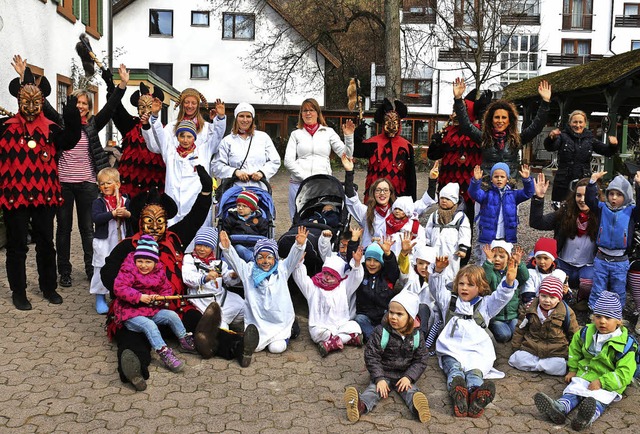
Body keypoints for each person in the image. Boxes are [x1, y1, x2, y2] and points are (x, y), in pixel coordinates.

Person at [101, 166, 258, 391]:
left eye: (159, 222)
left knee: (200, 323)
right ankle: (134, 370)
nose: (154, 228)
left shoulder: (175, 238)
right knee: (132, 339)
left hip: (173, 307)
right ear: (139, 221)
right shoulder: (128, 246)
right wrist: (134, 296)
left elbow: (195, 218)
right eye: (148, 222)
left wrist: (206, 190)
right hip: (136, 310)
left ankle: (237, 347)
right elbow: (108, 274)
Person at [1, 57, 81, 310]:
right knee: (17, 245)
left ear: (44, 103)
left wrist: (72, 116)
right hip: (15, 196)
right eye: (27, 101)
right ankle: (19, 291)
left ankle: (48, 287)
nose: (32, 106)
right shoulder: (5, 128)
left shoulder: (51, 128)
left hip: (45, 195)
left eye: (38, 102)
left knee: (46, 242)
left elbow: (70, 140)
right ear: (18, 101)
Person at [51, 63, 130, 288]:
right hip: (64, 183)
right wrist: (25, 78)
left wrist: (122, 84)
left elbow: (112, 106)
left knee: (88, 229)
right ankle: (64, 271)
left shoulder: (94, 124)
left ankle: (90, 268)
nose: (82, 106)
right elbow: (44, 106)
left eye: (85, 103)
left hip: (88, 183)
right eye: (78, 103)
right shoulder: (61, 124)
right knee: (64, 229)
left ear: (90, 106)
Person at [534, 292, 637, 431]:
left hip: (607, 380)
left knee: (598, 400)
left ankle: (586, 418)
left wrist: (602, 382)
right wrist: (573, 369)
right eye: (598, 316)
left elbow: (625, 372)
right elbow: (574, 350)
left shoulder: (626, 344)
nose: (602, 321)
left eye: (608, 317)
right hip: (585, 373)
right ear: (593, 317)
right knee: (573, 391)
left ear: (618, 320)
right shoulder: (586, 332)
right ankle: (559, 408)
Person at [430, 260, 518, 418]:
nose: (464, 287)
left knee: (475, 372)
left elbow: (500, 297)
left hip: (477, 350)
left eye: (470, 285)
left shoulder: (485, 305)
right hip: (451, 348)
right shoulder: (449, 302)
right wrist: (437, 272)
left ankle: (476, 394)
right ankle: (458, 392)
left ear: (480, 287)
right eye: (461, 283)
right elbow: (436, 290)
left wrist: (509, 282)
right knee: (453, 368)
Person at [343, 291, 431, 423]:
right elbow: (371, 356)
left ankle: (419, 409)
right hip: (384, 372)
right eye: (391, 312)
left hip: (404, 375)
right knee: (373, 390)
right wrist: (379, 378)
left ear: (411, 317)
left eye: (399, 314)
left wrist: (409, 377)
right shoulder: (381, 331)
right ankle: (359, 406)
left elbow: (421, 359)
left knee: (411, 391)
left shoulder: (417, 335)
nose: (393, 317)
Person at [112, 235, 196, 373]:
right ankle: (164, 353)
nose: (143, 265)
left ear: (155, 262)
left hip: (150, 310)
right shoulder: (128, 269)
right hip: (130, 312)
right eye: (140, 261)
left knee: (171, 315)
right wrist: (139, 297)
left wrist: (161, 298)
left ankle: (185, 341)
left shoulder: (159, 271)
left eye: (148, 262)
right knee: (149, 325)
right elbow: (119, 288)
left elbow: (167, 289)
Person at [219, 227, 307, 354]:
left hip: (279, 321)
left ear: (275, 258)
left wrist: (299, 245)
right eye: (260, 257)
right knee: (255, 348)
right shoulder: (248, 271)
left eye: (269, 257)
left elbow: (293, 258)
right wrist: (227, 248)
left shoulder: (282, 269)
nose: (265, 261)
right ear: (255, 258)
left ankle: (289, 331)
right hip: (258, 321)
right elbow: (236, 262)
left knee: (276, 348)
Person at [142, 94, 226, 227]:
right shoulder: (170, 152)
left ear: (194, 138)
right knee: (175, 235)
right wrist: (155, 116)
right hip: (174, 199)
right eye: (182, 136)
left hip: (195, 200)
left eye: (189, 136)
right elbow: (160, 137)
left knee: (197, 237)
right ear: (177, 137)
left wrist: (220, 118)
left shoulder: (203, 150)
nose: (185, 140)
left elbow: (217, 136)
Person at [452, 77, 551, 176]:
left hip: (510, 186)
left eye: (504, 117)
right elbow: (466, 125)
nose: (500, 121)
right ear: (491, 120)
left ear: (509, 121)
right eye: (497, 117)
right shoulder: (484, 138)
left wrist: (545, 103)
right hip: (487, 186)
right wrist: (458, 100)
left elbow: (536, 127)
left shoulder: (516, 139)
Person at [529, 175, 597, 310]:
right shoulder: (566, 213)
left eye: (586, 195)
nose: (582, 200)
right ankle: (543, 297)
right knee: (534, 259)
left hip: (587, 266)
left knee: (588, 282)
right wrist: (539, 198)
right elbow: (538, 222)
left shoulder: (601, 216)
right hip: (563, 263)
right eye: (578, 195)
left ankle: (582, 298)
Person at [427, 88, 492, 225]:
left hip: (470, 185)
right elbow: (433, 155)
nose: (455, 114)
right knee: (445, 221)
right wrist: (436, 142)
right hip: (447, 183)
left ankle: (465, 246)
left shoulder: (479, 132)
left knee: (466, 223)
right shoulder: (446, 131)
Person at [341, 154, 434, 248]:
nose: (382, 193)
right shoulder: (366, 212)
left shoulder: (400, 210)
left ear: (391, 193)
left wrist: (433, 181)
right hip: (370, 258)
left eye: (385, 190)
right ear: (373, 193)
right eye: (378, 190)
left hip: (391, 257)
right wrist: (349, 172)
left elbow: (424, 203)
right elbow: (352, 200)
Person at [284, 98, 355, 218]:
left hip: (322, 184)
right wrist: (307, 178)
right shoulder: (296, 134)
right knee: (298, 219)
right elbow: (288, 161)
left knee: (321, 218)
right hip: (299, 184)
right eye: (305, 110)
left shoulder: (328, 132)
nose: (308, 113)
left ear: (317, 113)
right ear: (301, 114)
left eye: (311, 110)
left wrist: (348, 137)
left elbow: (346, 155)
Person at [293, 251, 365, 357]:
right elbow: (300, 279)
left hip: (341, 324)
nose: (327, 278)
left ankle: (333, 343)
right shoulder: (313, 286)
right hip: (321, 326)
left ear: (338, 276)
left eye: (332, 275)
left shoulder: (344, 286)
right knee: (317, 334)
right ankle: (347, 339)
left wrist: (357, 264)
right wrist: (299, 264)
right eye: (325, 273)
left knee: (354, 326)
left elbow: (356, 278)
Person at [586, 171, 640, 310]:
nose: (614, 197)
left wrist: (638, 186)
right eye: (611, 193)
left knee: (618, 289)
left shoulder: (631, 211)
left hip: (620, 260)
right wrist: (592, 182)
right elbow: (590, 201)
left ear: (626, 196)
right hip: (601, 257)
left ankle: (616, 315)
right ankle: (595, 312)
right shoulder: (602, 208)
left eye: (619, 194)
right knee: (598, 287)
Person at [510, 276, 580, 376]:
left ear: (559, 299)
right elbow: (520, 329)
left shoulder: (567, 312)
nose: (547, 300)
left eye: (552, 297)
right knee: (516, 359)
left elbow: (574, 335)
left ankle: (536, 366)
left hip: (555, 350)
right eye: (544, 296)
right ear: (539, 295)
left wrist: (573, 358)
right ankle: (541, 366)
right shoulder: (529, 309)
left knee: (559, 367)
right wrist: (516, 348)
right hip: (532, 347)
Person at [544, 110, 618, 203]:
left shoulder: (589, 138)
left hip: (583, 179)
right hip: (563, 181)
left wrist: (613, 145)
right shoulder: (562, 136)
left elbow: (607, 151)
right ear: (570, 123)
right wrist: (550, 138)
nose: (578, 125)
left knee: (584, 207)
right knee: (561, 211)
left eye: (580, 122)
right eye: (575, 122)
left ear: (585, 123)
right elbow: (550, 147)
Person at [468, 162, 534, 263]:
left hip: (506, 237)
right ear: (491, 179)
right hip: (488, 237)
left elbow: (528, 193)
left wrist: (527, 180)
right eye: (496, 176)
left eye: (502, 176)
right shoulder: (486, 195)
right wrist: (476, 181)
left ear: (507, 179)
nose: (499, 179)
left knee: (504, 262)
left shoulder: (513, 195)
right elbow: (474, 193)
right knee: (486, 262)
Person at [111, 82, 166, 200]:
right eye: (142, 107)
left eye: (150, 106)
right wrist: (115, 84)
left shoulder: (164, 130)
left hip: (156, 185)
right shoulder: (129, 125)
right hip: (130, 186)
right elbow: (115, 106)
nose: (146, 110)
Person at [353, 98, 417, 201]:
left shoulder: (406, 146)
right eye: (388, 122)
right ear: (383, 124)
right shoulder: (373, 143)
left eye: (394, 122)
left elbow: (411, 177)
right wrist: (357, 136)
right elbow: (355, 151)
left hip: (398, 198)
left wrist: (411, 202)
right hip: (374, 197)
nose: (391, 126)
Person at [181, 227, 244, 330]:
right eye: (199, 245)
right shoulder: (190, 259)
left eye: (206, 246)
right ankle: (222, 328)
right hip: (201, 298)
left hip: (219, 297)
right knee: (221, 326)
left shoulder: (218, 263)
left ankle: (247, 329)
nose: (201, 249)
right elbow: (187, 277)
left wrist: (233, 276)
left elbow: (228, 281)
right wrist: (205, 278)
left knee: (244, 307)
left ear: (212, 248)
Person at [212, 102, 281, 189]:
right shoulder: (227, 141)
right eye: (241, 116)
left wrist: (262, 173)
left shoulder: (263, 138)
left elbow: (275, 161)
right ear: (236, 118)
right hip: (234, 191)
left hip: (259, 190)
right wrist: (235, 172)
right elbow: (217, 165)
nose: (245, 120)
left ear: (252, 119)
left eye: (248, 116)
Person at [90, 167, 131, 314]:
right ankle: (100, 296)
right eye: (102, 184)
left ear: (118, 184)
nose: (105, 186)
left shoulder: (125, 200)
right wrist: (112, 214)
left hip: (120, 239)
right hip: (104, 241)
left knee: (121, 267)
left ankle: (118, 295)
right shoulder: (99, 202)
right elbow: (96, 218)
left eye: (109, 183)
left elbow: (133, 217)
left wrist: (126, 213)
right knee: (101, 266)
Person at [354, 238, 401, 341]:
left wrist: (388, 254)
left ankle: (379, 338)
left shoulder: (387, 275)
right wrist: (353, 243)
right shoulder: (361, 273)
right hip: (366, 315)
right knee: (359, 319)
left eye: (376, 260)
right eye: (368, 259)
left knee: (392, 320)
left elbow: (393, 268)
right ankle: (377, 340)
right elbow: (353, 265)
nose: (371, 264)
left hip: (384, 314)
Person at [481, 241, 528, 343]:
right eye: (494, 256)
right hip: (496, 317)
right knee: (504, 335)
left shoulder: (512, 271)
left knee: (518, 331)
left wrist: (519, 264)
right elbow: (485, 280)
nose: (497, 259)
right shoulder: (491, 272)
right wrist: (488, 263)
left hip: (512, 315)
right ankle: (491, 328)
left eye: (501, 257)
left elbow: (524, 277)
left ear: (508, 258)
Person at [425, 182, 471, 281]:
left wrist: (463, 248)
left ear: (454, 201)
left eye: (447, 199)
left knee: (451, 270)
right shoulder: (434, 215)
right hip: (435, 248)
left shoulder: (460, 216)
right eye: (442, 198)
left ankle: (450, 288)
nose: (444, 201)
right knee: (433, 266)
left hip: (452, 250)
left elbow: (465, 232)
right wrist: (427, 244)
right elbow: (428, 229)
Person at [220, 190, 269, 261]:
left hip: (254, 245)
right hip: (237, 244)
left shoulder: (260, 220)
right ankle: (255, 261)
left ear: (252, 209)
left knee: (260, 251)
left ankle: (257, 259)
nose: (240, 208)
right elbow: (225, 232)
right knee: (240, 249)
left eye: (244, 206)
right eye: (238, 205)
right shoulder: (231, 218)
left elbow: (263, 233)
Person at [520, 237, 568, 305]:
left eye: (546, 258)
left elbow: (568, 300)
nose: (542, 262)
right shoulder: (530, 273)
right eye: (539, 258)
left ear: (552, 259)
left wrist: (565, 293)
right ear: (535, 258)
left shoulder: (560, 274)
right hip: (534, 305)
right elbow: (527, 296)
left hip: (555, 306)